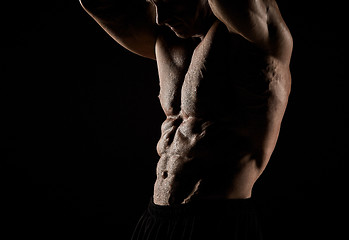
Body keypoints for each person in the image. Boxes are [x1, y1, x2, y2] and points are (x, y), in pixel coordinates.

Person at [80, 0, 292, 239]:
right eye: (154, 2)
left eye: (170, 3)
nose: (160, 17)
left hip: (218, 220)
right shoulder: (167, 41)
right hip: (156, 218)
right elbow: (99, 4)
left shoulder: (255, 36)